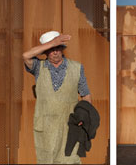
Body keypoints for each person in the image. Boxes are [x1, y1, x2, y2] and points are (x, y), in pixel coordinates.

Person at [23, 31, 92, 164]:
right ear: (45, 51)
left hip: (69, 124)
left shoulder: (77, 68)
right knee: (46, 160)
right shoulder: (38, 67)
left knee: (70, 159)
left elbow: (85, 94)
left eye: (57, 48)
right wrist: (52, 43)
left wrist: (84, 115)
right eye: (51, 49)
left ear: (62, 48)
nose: (55, 52)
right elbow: (26, 55)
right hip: (46, 126)